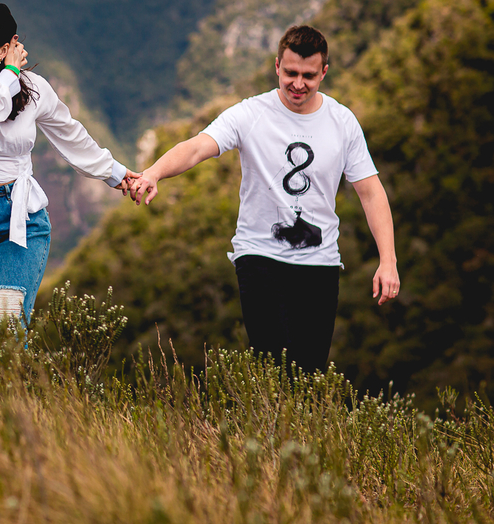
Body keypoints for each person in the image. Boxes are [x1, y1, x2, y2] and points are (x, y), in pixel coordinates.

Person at [129, 25, 399, 373]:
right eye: (290, 73)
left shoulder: (342, 122)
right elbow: (197, 147)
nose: (298, 84)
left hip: (320, 263)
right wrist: (153, 173)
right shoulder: (250, 114)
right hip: (260, 256)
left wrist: (388, 260)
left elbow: (371, 192)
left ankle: (296, 428)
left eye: (308, 75)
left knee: (309, 374)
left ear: (324, 72)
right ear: (276, 67)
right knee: (274, 367)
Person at [0, 1, 137, 351]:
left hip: (19, 217)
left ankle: (8, 405)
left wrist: (117, 175)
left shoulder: (34, 89)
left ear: (5, 47)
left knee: (4, 330)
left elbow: (70, 135)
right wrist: (10, 74)